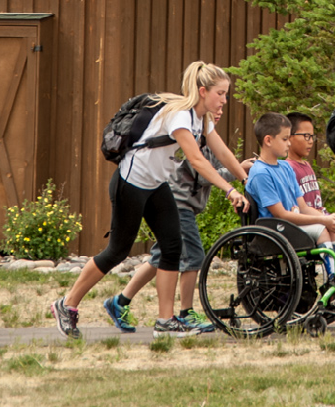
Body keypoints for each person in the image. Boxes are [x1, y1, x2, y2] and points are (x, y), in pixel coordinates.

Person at [54, 61, 249, 339]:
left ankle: (165, 321)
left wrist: (245, 179)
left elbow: (222, 150)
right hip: (130, 184)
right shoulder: (181, 115)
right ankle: (67, 304)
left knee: (172, 246)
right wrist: (229, 191)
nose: (225, 100)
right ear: (203, 91)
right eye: (221, 93)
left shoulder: (201, 119)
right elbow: (196, 159)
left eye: (226, 94)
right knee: (117, 251)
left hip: (156, 185)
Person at [102, 108, 246, 335]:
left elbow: (219, 163)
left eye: (221, 109)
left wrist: (239, 170)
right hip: (178, 205)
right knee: (194, 255)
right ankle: (185, 313)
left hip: (184, 205)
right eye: (215, 107)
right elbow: (201, 175)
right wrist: (237, 173)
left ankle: (120, 301)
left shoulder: (206, 138)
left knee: (161, 257)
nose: (219, 111)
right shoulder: (190, 136)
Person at [247, 112, 335, 244]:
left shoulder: (286, 167)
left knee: (333, 228)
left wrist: (329, 219)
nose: (289, 144)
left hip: (292, 226)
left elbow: (303, 208)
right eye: (285, 139)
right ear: (268, 140)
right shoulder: (261, 173)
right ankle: (329, 262)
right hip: (277, 230)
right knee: (321, 229)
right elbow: (281, 215)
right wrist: (322, 220)